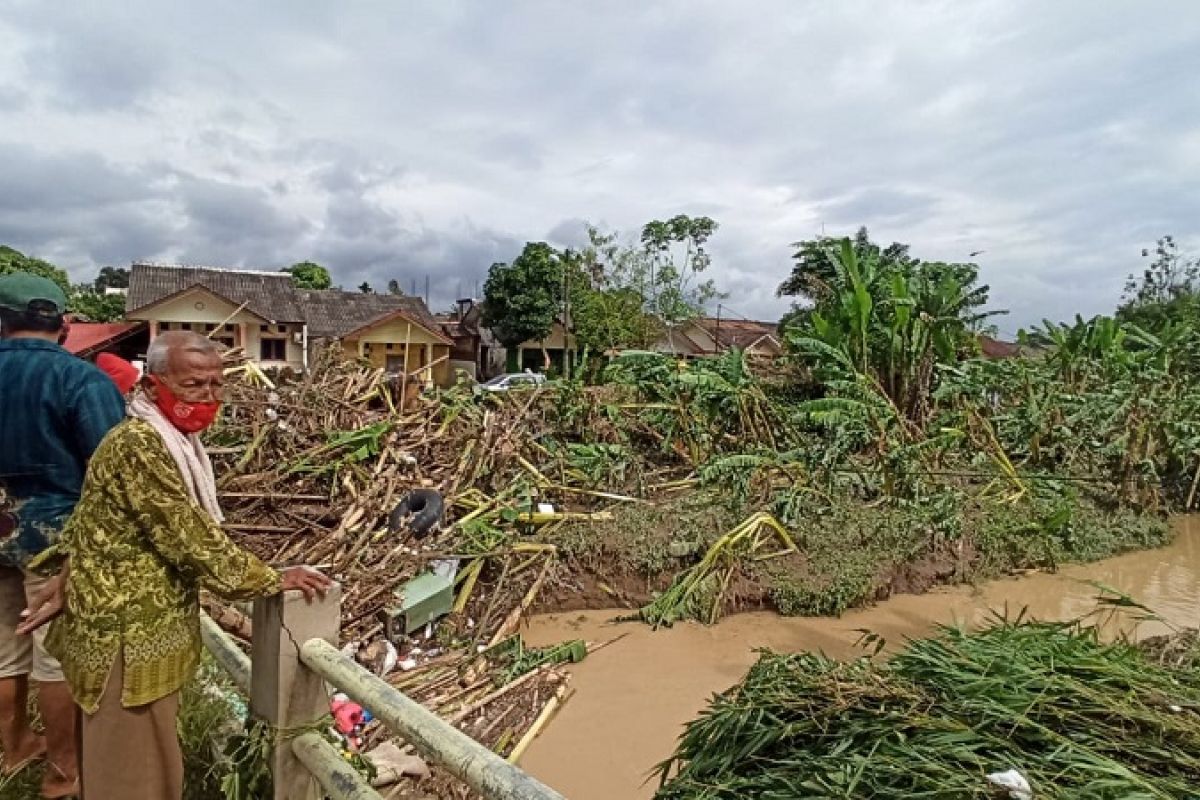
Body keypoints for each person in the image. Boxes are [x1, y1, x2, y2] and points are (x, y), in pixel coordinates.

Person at [21, 331, 332, 800]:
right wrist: (270, 578)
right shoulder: (140, 446)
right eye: (193, 385)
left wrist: (69, 575)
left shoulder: (167, 441)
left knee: (138, 762)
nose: (209, 397)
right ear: (152, 386)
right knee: (132, 775)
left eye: (215, 384)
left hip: (128, 631)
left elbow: (94, 519)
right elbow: (188, 538)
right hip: (126, 638)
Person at [0, 272, 125, 798]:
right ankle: (63, 771)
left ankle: (13, 748)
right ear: (64, 325)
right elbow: (113, 472)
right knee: (57, 656)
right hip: (56, 536)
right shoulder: (82, 381)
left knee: (5, 650)